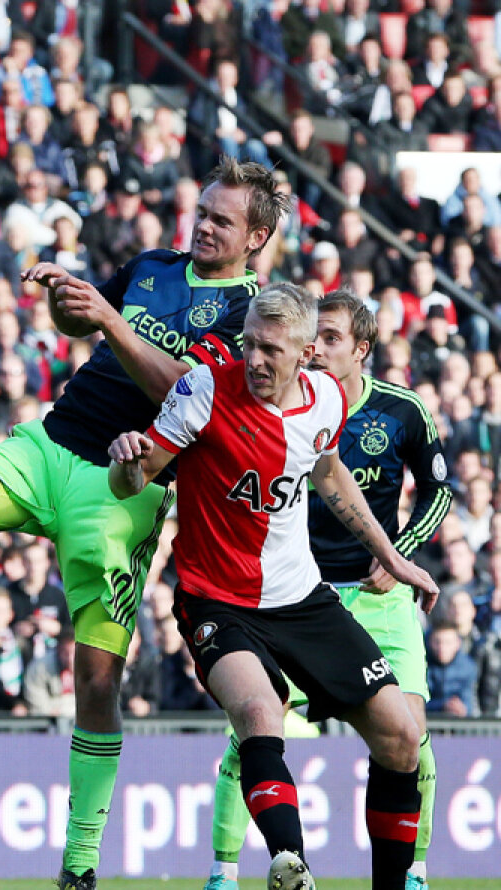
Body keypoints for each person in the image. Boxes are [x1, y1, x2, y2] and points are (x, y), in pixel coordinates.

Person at [0, 157, 292, 890]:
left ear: (257, 237)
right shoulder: (151, 266)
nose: (204, 226)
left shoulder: (249, 316)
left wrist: (108, 320)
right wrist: (67, 300)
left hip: (123, 487)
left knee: (96, 678)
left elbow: (187, 393)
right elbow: (87, 327)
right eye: (203, 212)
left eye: (222, 220)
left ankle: (79, 865)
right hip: (53, 441)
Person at [107, 282, 440, 890]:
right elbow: (133, 480)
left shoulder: (324, 400)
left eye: (271, 350)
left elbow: (330, 474)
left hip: (301, 599)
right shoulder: (203, 391)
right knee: (261, 712)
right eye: (250, 345)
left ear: (306, 354)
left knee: (402, 735)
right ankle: (290, 866)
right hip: (215, 599)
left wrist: (391, 555)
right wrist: (126, 462)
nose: (255, 361)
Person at [202, 289, 452, 890]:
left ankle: (412, 874)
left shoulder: (401, 410)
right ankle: (223, 873)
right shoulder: (282, 404)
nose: (317, 349)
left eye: (332, 339)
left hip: (379, 596)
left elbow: (439, 489)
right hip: (299, 595)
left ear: (361, 349)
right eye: (313, 338)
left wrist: (399, 555)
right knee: (254, 730)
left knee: (410, 737)